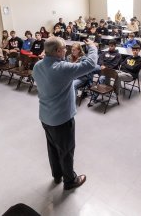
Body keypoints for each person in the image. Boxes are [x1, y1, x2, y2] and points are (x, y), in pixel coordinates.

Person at [32, 37, 98, 190]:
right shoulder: (61, 68)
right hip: (61, 119)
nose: (66, 50)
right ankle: (70, 181)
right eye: (64, 48)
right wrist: (93, 47)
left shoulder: (37, 66)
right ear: (56, 51)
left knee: (53, 148)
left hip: (45, 117)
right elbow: (90, 64)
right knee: (66, 150)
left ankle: (57, 175)